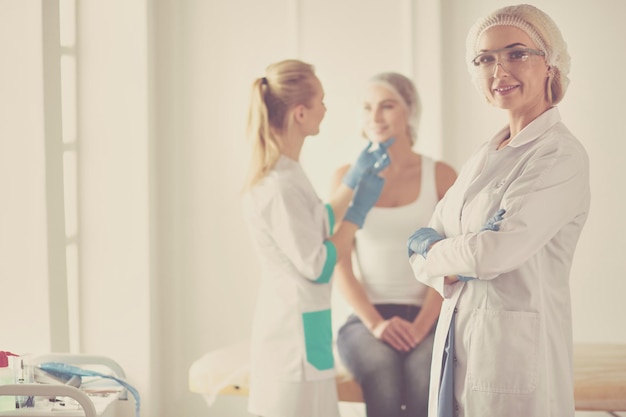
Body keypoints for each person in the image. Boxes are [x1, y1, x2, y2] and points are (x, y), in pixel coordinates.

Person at [407, 4, 590, 417]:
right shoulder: (483, 156)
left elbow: (495, 253)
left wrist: (437, 251)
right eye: (485, 59)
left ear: (550, 63)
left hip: (514, 368)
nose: (499, 70)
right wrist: (456, 255)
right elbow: (432, 257)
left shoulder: (559, 156)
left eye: (516, 53)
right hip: (460, 346)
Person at [241, 59, 394, 417]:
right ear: (299, 113)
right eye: (321, 101)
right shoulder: (278, 186)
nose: (325, 109)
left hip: (306, 332)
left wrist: (353, 181)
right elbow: (319, 264)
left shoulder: (288, 171)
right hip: (291, 343)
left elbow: (315, 221)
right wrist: (357, 215)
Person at [331, 72, 457, 417]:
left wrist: (420, 327)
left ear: (409, 111)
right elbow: (338, 260)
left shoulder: (442, 175)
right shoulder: (348, 177)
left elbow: (452, 261)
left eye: (387, 106)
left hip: (429, 317)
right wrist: (375, 324)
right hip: (364, 320)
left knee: (422, 374)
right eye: (368, 107)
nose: (375, 116)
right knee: (380, 367)